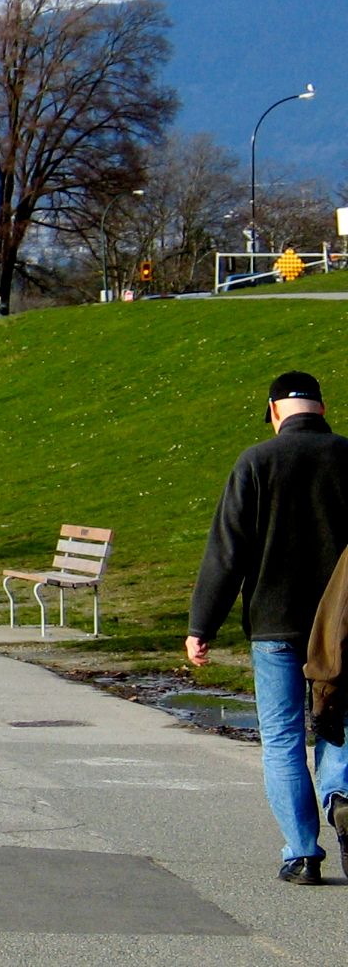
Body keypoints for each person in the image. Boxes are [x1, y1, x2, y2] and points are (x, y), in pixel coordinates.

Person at [188, 370, 348, 885]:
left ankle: (302, 855)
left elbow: (227, 552)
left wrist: (202, 625)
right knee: (339, 723)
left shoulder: (256, 462)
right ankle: (341, 795)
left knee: (282, 738)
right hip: (343, 627)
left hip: (274, 625)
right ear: (322, 409)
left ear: (275, 411)